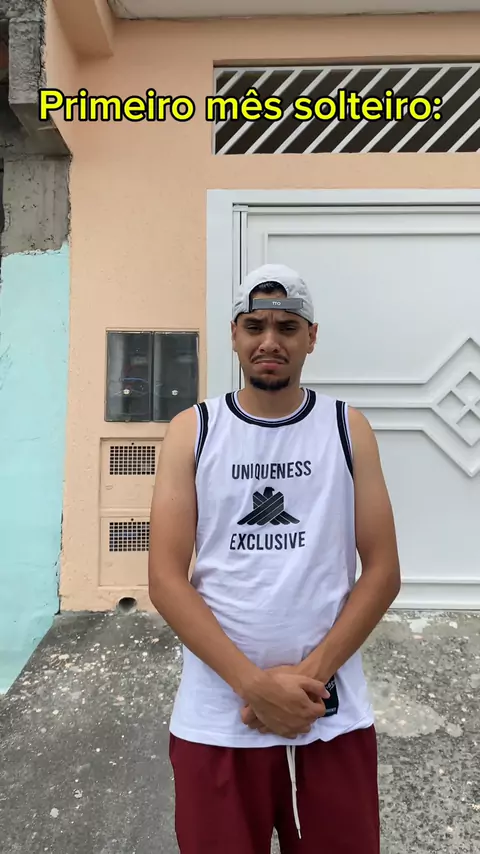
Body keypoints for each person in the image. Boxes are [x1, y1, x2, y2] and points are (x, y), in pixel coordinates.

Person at [148, 262, 401, 854]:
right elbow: (165, 579)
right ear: (234, 335)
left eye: (287, 327)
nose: (270, 341)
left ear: (311, 337)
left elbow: (383, 571)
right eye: (255, 326)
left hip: (328, 714)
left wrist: (308, 682)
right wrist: (254, 687)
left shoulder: (347, 427)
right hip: (218, 716)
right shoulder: (193, 431)